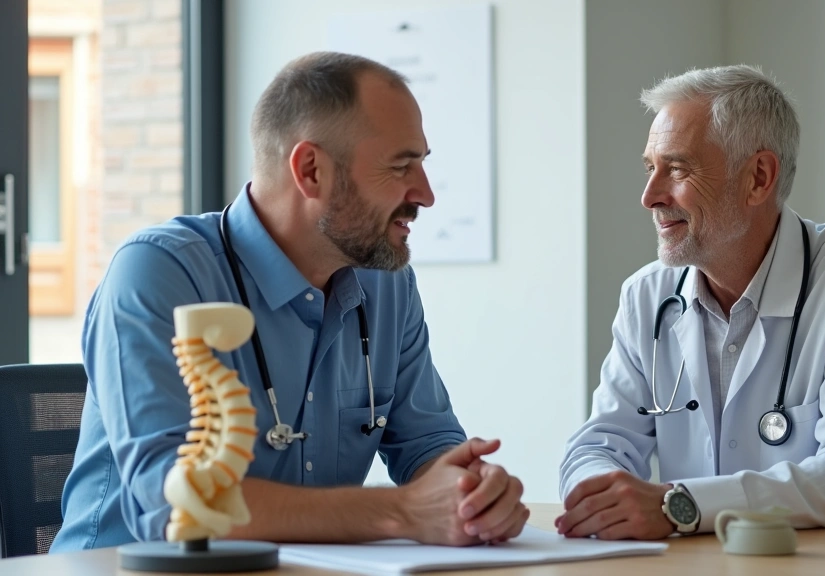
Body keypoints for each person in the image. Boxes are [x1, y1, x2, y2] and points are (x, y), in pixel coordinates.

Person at [51, 52, 527, 551]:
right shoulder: (159, 273)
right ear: (311, 170)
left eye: (422, 164)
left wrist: (473, 496)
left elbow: (430, 447)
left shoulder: (387, 286)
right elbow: (177, 506)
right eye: (400, 166)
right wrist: (403, 511)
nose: (426, 194)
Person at [556, 64, 825, 540]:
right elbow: (601, 442)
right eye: (650, 168)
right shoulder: (648, 296)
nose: (649, 196)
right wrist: (600, 498)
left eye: (676, 169)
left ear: (758, 177)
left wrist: (679, 505)